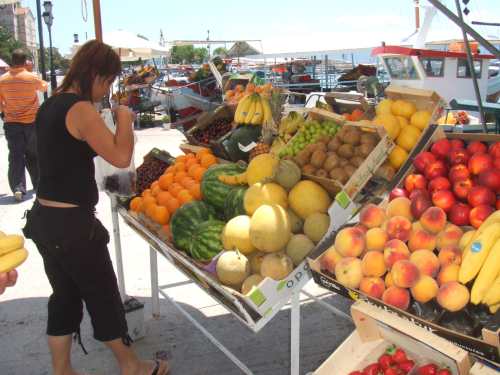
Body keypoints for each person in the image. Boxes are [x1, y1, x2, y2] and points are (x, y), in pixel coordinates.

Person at [22, 40, 169, 375]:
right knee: (103, 297)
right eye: (107, 82)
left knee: (64, 297)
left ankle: (62, 370)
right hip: (73, 226)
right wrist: (125, 120)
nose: (107, 90)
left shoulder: (50, 104)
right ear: (95, 74)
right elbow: (119, 157)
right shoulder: (80, 109)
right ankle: (131, 366)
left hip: (45, 220)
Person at [0, 49, 48, 202]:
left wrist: (4, 110)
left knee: (16, 156)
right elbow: (44, 87)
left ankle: (17, 188)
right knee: (34, 154)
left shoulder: (3, 80)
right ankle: (38, 185)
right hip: (31, 122)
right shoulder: (31, 77)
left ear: (12, 61)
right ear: (25, 61)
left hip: (12, 123)